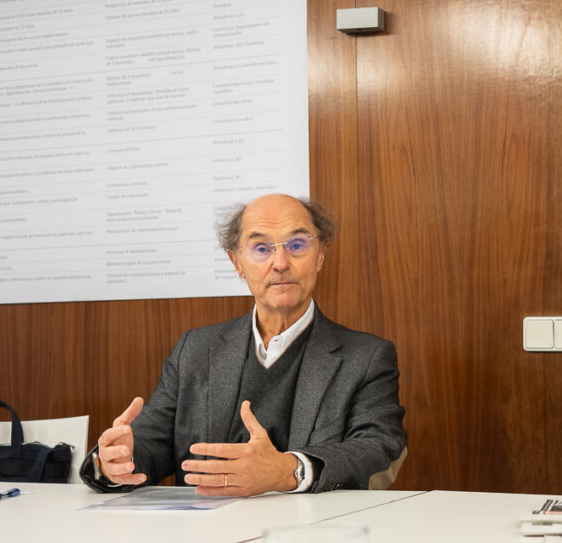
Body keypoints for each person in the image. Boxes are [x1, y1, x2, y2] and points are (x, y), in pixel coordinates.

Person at [81, 193, 406, 495]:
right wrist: (115, 461)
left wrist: (287, 470)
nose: (280, 263)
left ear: (320, 255)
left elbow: (378, 447)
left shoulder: (365, 357)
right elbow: (151, 441)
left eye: (297, 244)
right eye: (261, 249)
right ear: (237, 263)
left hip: (308, 539)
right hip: (203, 540)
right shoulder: (195, 350)